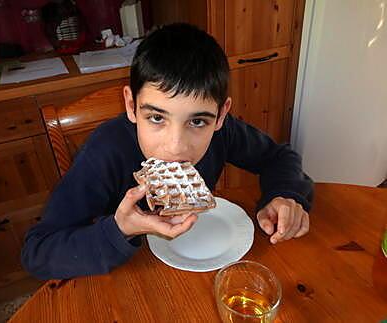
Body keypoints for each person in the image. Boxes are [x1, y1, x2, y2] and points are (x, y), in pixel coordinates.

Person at [21, 23, 313, 280]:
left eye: (197, 121)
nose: (175, 147)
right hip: (128, 275)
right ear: (131, 105)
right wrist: (119, 229)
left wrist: (285, 195)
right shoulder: (105, 151)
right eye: (157, 118)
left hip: (206, 261)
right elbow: (37, 251)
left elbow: (280, 157)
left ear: (221, 115)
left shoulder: (224, 131)